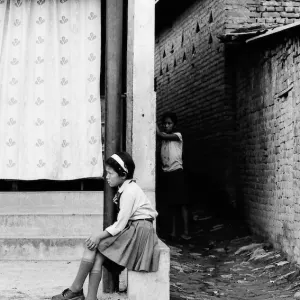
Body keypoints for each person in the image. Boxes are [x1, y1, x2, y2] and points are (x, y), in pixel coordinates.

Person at [52, 152, 159, 300]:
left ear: (122, 174)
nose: (106, 177)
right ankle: (88, 296)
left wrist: (98, 235)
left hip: (140, 231)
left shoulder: (129, 191)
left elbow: (120, 225)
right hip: (136, 228)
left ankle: (76, 290)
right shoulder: (126, 188)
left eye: (110, 173)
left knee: (94, 245)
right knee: (98, 255)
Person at [156, 111, 191, 241]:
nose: (166, 126)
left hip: (177, 173)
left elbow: (160, 134)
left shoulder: (177, 136)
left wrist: (151, 119)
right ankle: (173, 232)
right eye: (164, 124)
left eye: (169, 123)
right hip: (167, 174)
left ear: (174, 125)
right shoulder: (164, 140)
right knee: (170, 204)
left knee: (182, 204)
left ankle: (186, 232)